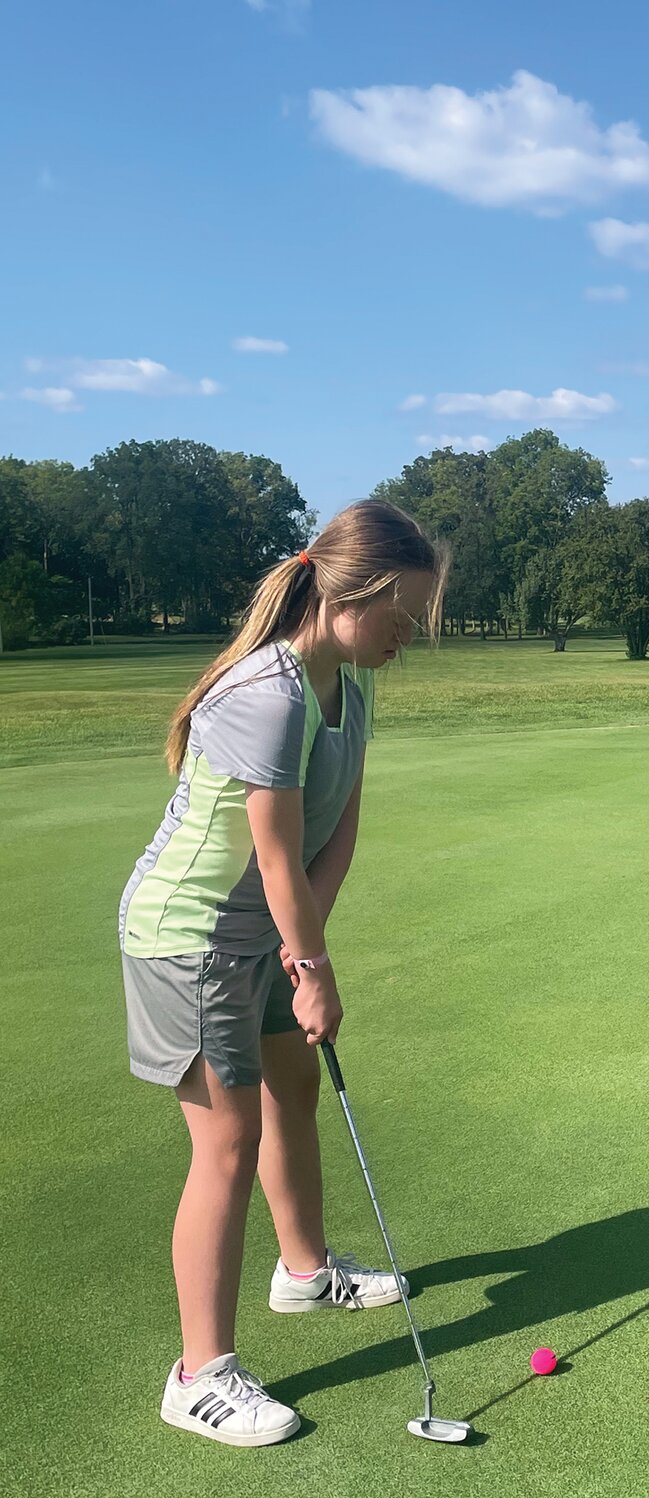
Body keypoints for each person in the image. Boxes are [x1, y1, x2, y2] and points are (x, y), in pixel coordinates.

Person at [118, 499, 447, 1447]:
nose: (407, 638)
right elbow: (270, 856)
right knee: (225, 1142)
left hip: (260, 932)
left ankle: (304, 1272)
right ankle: (199, 1376)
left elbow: (337, 824)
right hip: (191, 935)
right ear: (350, 596)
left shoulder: (350, 677)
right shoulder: (267, 691)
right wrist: (313, 967)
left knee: (293, 1084)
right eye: (400, 618)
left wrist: (306, 953)